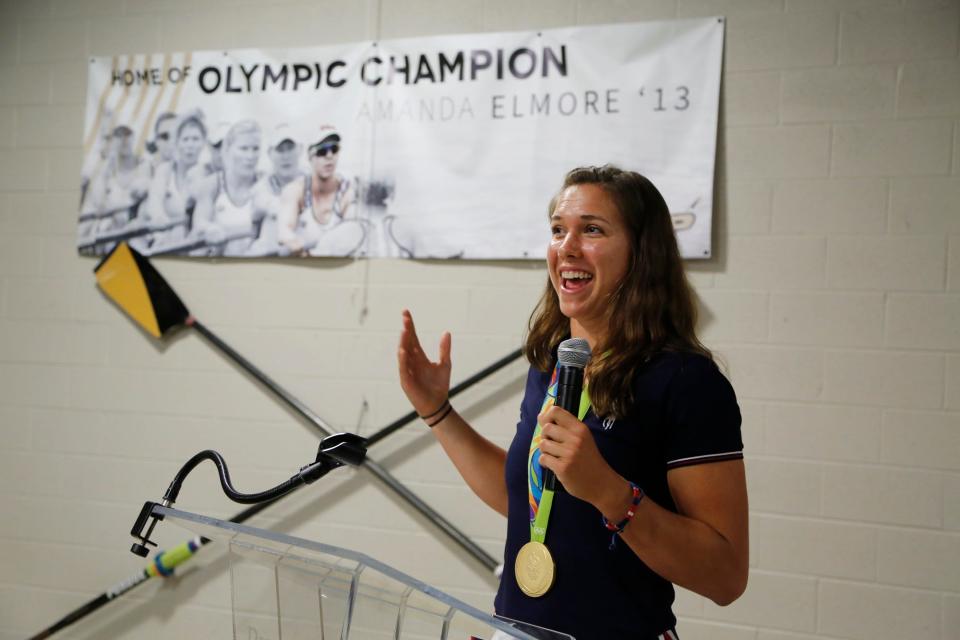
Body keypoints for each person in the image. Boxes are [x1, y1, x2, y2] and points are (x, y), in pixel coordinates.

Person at [397, 166, 748, 639]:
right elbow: (530, 500)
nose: (567, 247)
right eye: (559, 230)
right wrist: (436, 411)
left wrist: (610, 493)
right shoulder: (556, 364)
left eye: (593, 230)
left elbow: (725, 576)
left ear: (643, 253)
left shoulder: (686, 382)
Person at [277, 125, 366, 257]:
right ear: (310, 157)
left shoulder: (348, 191)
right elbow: (284, 231)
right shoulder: (294, 190)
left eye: (334, 149)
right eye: (322, 151)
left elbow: (353, 236)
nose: (329, 156)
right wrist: (296, 245)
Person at [192, 119, 263, 256]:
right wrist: (209, 228)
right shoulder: (212, 184)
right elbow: (200, 222)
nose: (250, 156)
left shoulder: (266, 182)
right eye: (243, 148)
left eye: (255, 148)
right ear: (228, 150)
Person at [143, 111, 207, 251]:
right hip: (165, 241)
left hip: (196, 245)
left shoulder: (208, 174)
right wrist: (160, 222)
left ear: (203, 142)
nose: (190, 145)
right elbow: (154, 204)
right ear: (176, 142)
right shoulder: (164, 171)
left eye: (195, 139)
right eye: (185, 139)